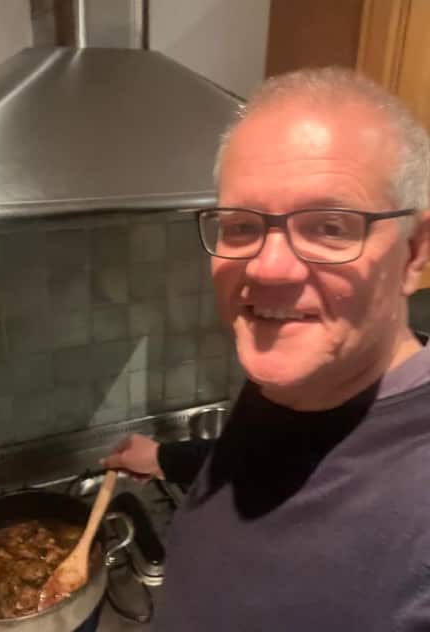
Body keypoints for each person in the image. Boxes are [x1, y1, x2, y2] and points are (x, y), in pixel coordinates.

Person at [102, 67, 430, 630]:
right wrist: (162, 459)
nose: (267, 267)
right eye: (240, 226)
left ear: (415, 253)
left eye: (329, 227)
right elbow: (278, 464)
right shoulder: (301, 376)